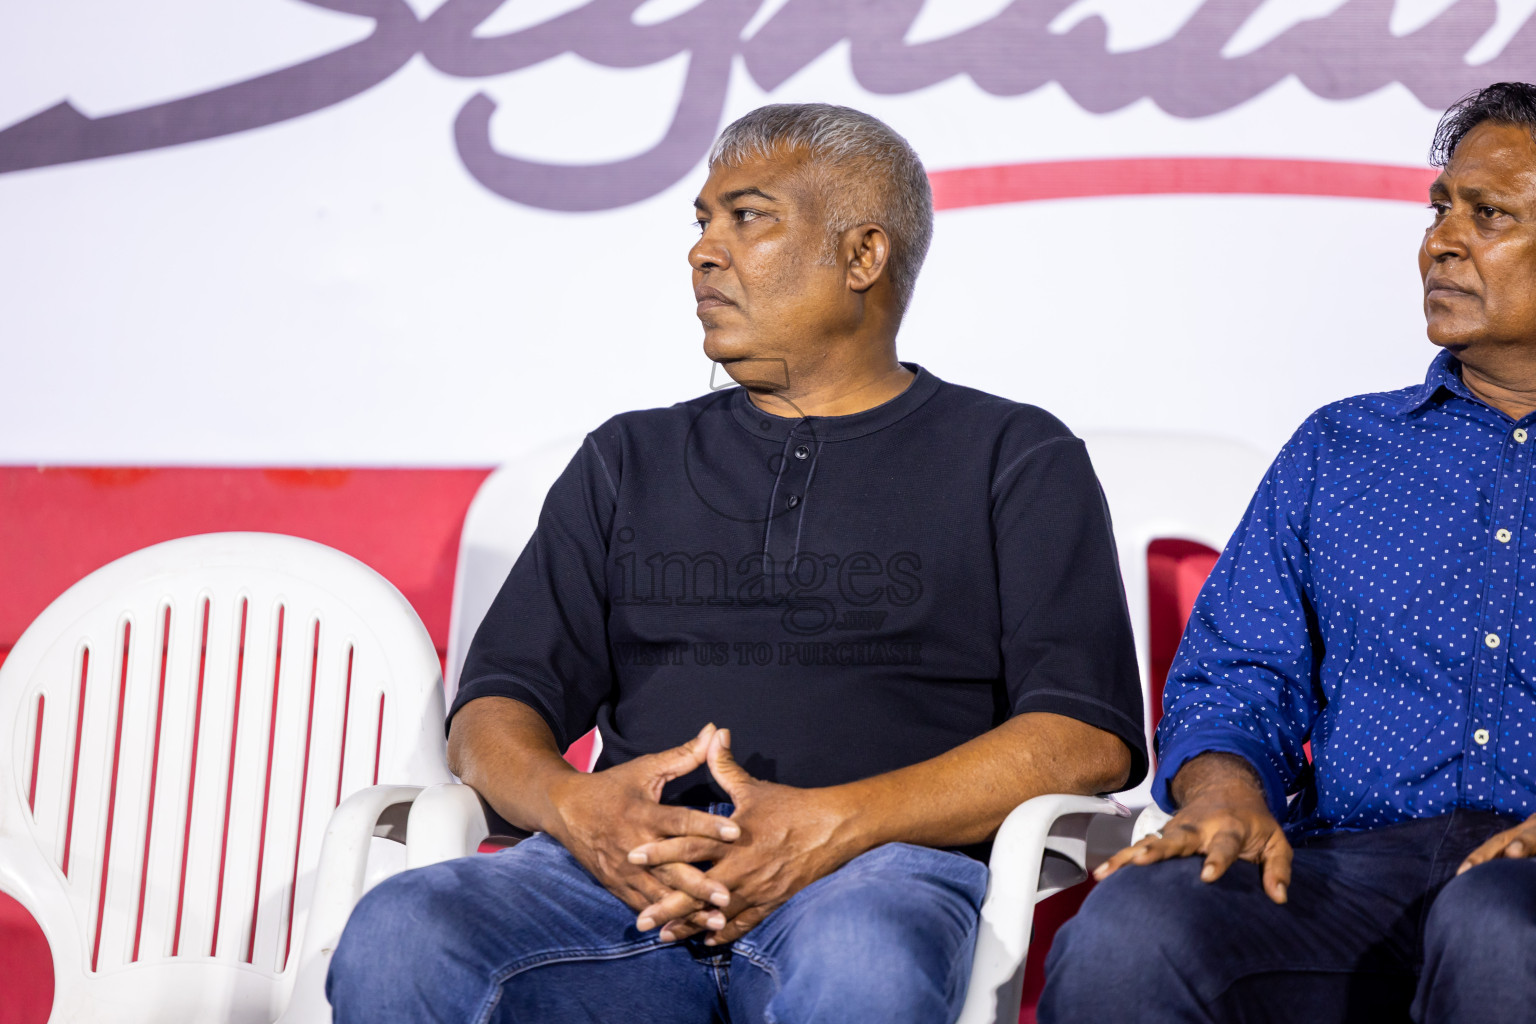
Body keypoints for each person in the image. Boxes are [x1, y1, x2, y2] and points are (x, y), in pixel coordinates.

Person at [326, 103, 1146, 1024]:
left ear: (862, 257)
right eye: (702, 223)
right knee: (405, 929)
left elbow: (1085, 735)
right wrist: (577, 809)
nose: (703, 252)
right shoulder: (627, 457)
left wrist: (833, 824)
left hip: (869, 873)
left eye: (747, 217)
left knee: (866, 962)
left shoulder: (1013, 455)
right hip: (616, 879)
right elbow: (493, 712)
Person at [1039, 81, 1536, 1024]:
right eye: (1440, 209)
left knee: (1499, 929)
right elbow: (1233, 678)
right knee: (1131, 928)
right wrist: (1224, 793)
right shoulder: (1342, 449)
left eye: (1490, 214)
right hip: (1349, 867)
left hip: (1526, 889)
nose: (1441, 240)